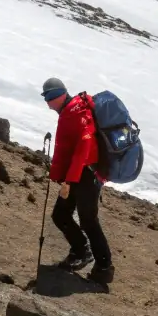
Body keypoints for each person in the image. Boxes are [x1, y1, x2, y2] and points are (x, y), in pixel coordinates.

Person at [42, 77, 113, 284]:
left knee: (88, 220)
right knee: (61, 215)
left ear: (62, 94)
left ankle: (104, 266)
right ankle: (81, 251)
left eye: (52, 97)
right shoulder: (68, 111)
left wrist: (68, 181)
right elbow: (67, 148)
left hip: (86, 175)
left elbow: (83, 147)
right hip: (76, 175)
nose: (48, 102)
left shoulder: (77, 112)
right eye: (46, 97)